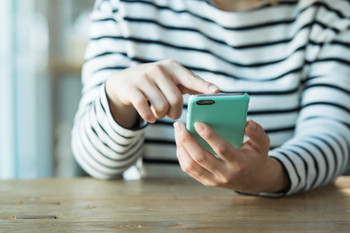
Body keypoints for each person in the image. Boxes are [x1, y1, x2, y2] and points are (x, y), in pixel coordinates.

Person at [71, 0, 350, 196]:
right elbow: (95, 163)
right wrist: (117, 98)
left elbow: (332, 136)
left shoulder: (331, 13)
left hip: (277, 219)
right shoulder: (124, 8)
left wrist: (270, 176)